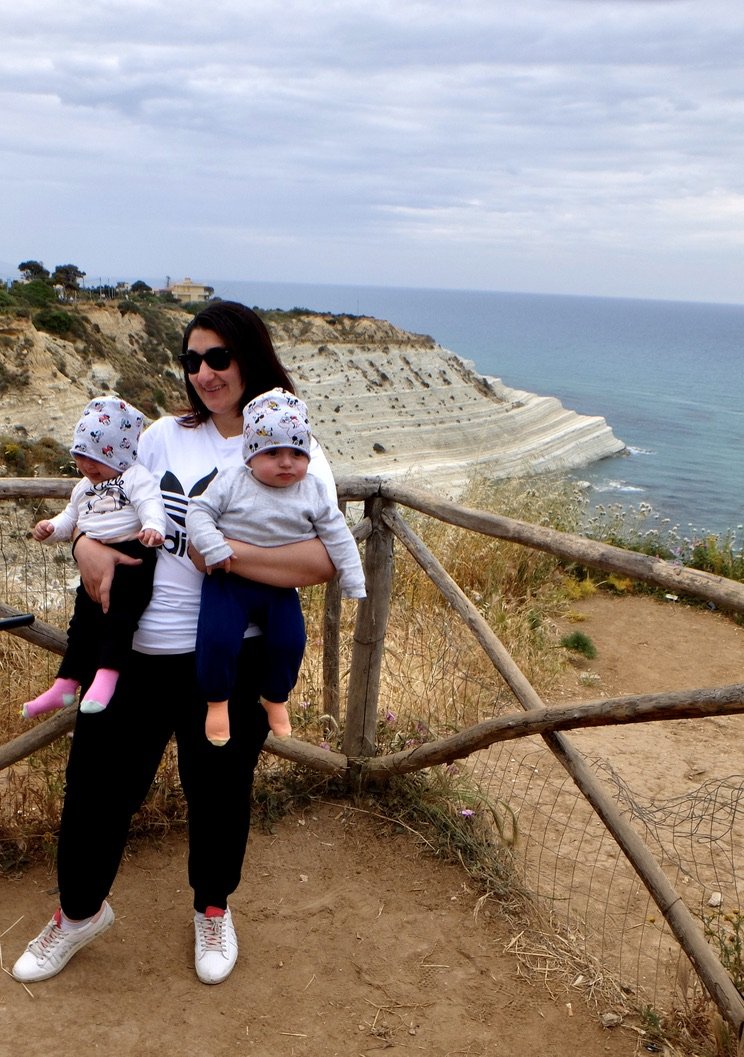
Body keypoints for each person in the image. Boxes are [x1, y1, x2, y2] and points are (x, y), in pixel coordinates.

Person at [11, 302, 336, 987]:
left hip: (229, 658)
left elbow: (318, 559)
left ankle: (213, 907)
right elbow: (104, 502)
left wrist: (226, 554)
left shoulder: (288, 444)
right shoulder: (161, 436)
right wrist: (83, 546)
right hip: (131, 654)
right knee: (94, 790)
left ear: (249, 355)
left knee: (220, 793)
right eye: (191, 360)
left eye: (217, 357)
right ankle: (77, 914)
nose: (204, 372)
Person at [186, 387, 365, 746]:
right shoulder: (233, 481)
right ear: (250, 455)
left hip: (279, 587)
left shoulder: (312, 490)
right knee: (217, 639)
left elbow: (338, 535)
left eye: (297, 453)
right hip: (228, 580)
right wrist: (213, 546)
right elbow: (199, 511)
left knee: (291, 641)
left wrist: (353, 578)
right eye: (272, 452)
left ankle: (276, 697)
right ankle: (217, 701)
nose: (286, 462)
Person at [22, 396, 166, 719]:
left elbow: (150, 504)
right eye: (81, 456)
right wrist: (51, 528)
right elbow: (70, 517)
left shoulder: (134, 477)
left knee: (119, 618)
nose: (88, 466)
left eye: (97, 458)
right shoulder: (83, 487)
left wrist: (154, 527)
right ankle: (66, 682)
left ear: (120, 454)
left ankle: (107, 675)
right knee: (83, 621)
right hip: (91, 560)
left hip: (133, 555)